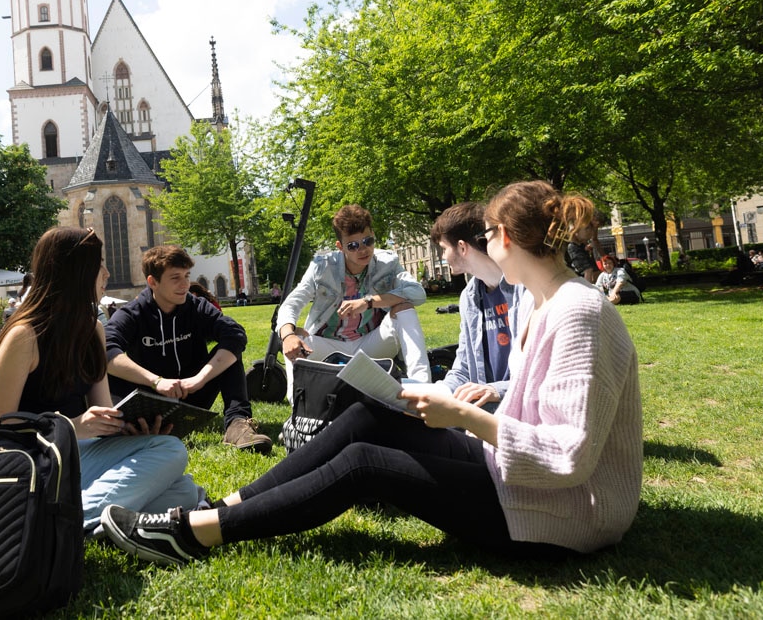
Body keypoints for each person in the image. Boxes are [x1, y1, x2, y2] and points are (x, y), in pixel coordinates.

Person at [101, 180, 643, 565]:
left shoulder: (578, 313)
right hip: (510, 475)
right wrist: (435, 404)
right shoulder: (539, 302)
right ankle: (226, 505)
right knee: (368, 413)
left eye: (487, 234)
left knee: (365, 464)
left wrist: (463, 417)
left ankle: (196, 533)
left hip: (561, 516)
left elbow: (568, 458)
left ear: (505, 238)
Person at [0, 227, 201, 538]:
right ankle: (60, 527)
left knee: (184, 490)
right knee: (171, 452)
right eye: (98, 264)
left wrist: (130, 429)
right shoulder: (24, 336)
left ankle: (84, 521)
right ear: (74, 272)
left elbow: (103, 411)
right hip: (37, 462)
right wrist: (73, 426)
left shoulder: (93, 330)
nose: (107, 272)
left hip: (79, 455)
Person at [105, 245, 272, 454]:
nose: (185, 284)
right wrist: (156, 382)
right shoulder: (133, 313)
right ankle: (124, 428)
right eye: (175, 278)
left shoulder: (196, 307)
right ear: (152, 282)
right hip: (150, 402)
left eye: (187, 275)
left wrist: (199, 379)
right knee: (110, 368)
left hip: (193, 394)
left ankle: (237, 425)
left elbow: (234, 334)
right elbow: (105, 348)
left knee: (230, 352)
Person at [276, 204, 429, 386]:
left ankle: (421, 387)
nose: (363, 250)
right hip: (328, 345)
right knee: (294, 338)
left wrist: (369, 302)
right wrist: (287, 336)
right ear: (340, 246)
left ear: (373, 235)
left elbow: (417, 293)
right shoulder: (322, 267)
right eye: (353, 245)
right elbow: (291, 304)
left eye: (368, 241)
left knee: (405, 309)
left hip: (371, 344)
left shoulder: (387, 262)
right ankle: (298, 405)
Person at [427, 202, 530, 411]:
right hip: (481, 407)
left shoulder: (526, 289)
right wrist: (437, 394)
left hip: (517, 409)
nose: (444, 257)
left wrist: (496, 390)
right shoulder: (469, 298)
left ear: (462, 247)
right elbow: (463, 367)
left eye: (445, 248)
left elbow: (537, 377)